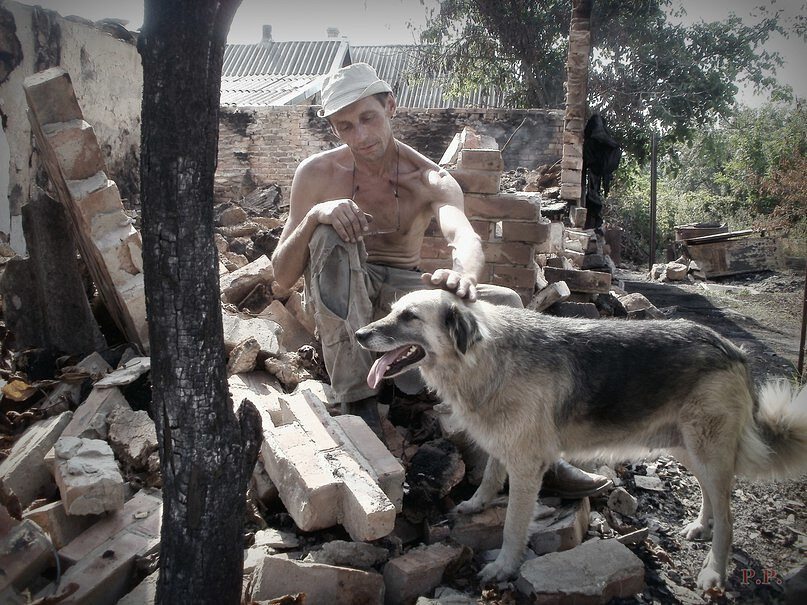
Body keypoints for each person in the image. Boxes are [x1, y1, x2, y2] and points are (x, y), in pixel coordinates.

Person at [271, 63, 610, 498]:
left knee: (505, 303)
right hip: (341, 301)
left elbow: (462, 234)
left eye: (368, 118)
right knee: (325, 233)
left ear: (390, 106)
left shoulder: (429, 178)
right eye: (345, 126)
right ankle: (359, 404)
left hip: (399, 301)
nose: (359, 136)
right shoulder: (315, 174)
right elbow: (281, 277)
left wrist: (463, 276)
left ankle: (536, 451)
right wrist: (318, 214)